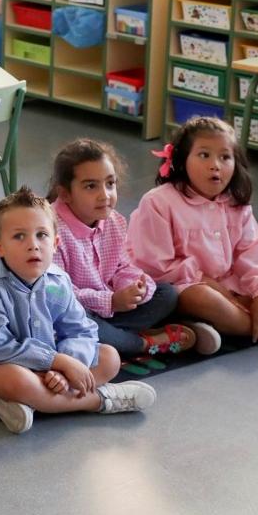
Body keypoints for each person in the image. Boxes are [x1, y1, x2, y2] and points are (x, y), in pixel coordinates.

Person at [0, 188, 158, 435]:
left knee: (110, 357)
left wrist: (65, 367)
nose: (33, 245)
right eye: (19, 237)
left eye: (42, 235)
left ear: (55, 243)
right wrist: (57, 361)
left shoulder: (58, 281)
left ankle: (30, 402)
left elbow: (81, 329)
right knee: (17, 380)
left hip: (47, 364)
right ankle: (101, 400)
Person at [128, 116, 258, 343]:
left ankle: (220, 321)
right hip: (178, 287)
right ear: (183, 160)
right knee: (204, 298)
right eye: (204, 155)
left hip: (224, 283)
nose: (216, 165)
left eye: (225, 157)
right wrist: (215, 288)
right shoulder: (158, 202)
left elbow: (254, 251)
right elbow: (156, 266)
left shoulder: (234, 202)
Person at [47, 138, 203, 357]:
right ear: (65, 194)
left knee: (167, 294)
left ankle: (116, 338)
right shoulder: (50, 231)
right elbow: (59, 295)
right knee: (82, 323)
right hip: (73, 312)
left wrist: (134, 288)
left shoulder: (114, 221)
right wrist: (110, 301)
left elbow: (122, 266)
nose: (105, 195)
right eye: (91, 186)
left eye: (110, 184)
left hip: (110, 308)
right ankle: (142, 344)